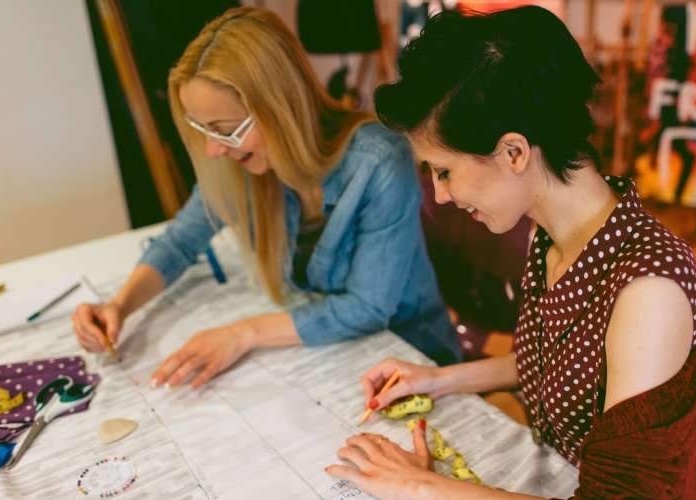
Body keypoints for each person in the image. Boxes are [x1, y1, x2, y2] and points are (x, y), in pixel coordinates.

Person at [326, 6, 696, 498]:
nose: (440, 195)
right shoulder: (552, 233)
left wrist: (419, 487)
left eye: (443, 170)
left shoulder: (649, 291)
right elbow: (552, 364)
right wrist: (438, 379)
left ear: (514, 152)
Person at [71, 6, 460, 389]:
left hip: (412, 361)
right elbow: (179, 242)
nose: (213, 150)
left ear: (279, 107)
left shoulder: (378, 160)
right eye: (203, 130)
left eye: (224, 130)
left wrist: (243, 334)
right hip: (335, 356)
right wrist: (119, 305)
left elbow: (367, 308)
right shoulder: (243, 163)